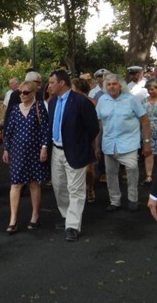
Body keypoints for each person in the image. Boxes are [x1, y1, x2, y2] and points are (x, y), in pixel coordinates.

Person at [47, 70, 99, 242]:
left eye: (52, 82)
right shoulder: (53, 102)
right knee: (59, 186)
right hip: (57, 151)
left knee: (75, 189)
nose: (49, 86)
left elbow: (93, 128)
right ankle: (66, 215)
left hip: (75, 151)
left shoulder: (81, 102)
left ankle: (73, 226)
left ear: (62, 83)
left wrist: (81, 145)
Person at [96, 73, 152, 212]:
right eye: (108, 84)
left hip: (129, 143)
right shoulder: (102, 100)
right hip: (109, 143)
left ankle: (133, 198)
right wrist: (96, 145)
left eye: (114, 84)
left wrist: (146, 142)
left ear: (120, 85)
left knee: (132, 168)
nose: (111, 87)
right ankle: (115, 200)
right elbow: (98, 124)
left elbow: (145, 121)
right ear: (105, 87)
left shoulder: (131, 99)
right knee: (110, 173)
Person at [2, 80, 49, 234]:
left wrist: (44, 148)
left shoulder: (40, 107)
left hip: (35, 152)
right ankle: (12, 219)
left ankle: (35, 216)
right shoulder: (15, 109)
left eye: (26, 92)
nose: (22, 95)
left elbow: (45, 129)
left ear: (34, 93)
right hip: (17, 152)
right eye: (20, 92)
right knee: (15, 184)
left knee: (34, 183)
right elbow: (8, 131)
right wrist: (6, 149)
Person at [71, 78, 98, 203]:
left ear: (78, 88)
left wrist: (95, 143)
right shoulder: (70, 101)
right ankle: (79, 190)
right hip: (74, 138)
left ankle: (90, 188)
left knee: (89, 168)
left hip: (88, 138)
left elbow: (95, 125)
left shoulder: (91, 102)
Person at [141, 78, 157, 185]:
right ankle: (149, 176)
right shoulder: (143, 101)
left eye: (152, 89)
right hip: (147, 130)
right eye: (148, 89)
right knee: (148, 152)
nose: (150, 91)